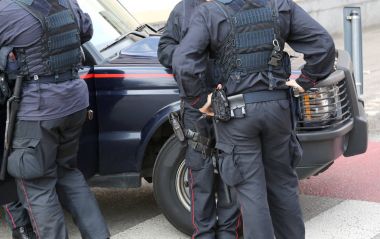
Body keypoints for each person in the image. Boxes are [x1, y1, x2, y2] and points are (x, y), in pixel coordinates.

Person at [172, 0, 335, 238]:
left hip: (238, 117)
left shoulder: (209, 12)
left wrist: (199, 101)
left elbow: (182, 62)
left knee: (251, 193)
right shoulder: (280, 5)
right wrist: (304, 82)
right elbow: (324, 45)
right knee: (283, 186)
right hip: (278, 110)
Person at [0, 0, 110, 238]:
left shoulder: (7, 9)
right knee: (67, 172)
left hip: (39, 108)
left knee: (37, 184)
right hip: (74, 100)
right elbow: (85, 30)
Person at [158, 0, 241, 238]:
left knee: (232, 167)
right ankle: (203, 233)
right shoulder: (183, 8)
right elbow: (165, 49)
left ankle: (227, 232)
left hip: (231, 98)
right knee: (199, 169)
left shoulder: (235, 5)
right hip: (196, 100)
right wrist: (190, 55)